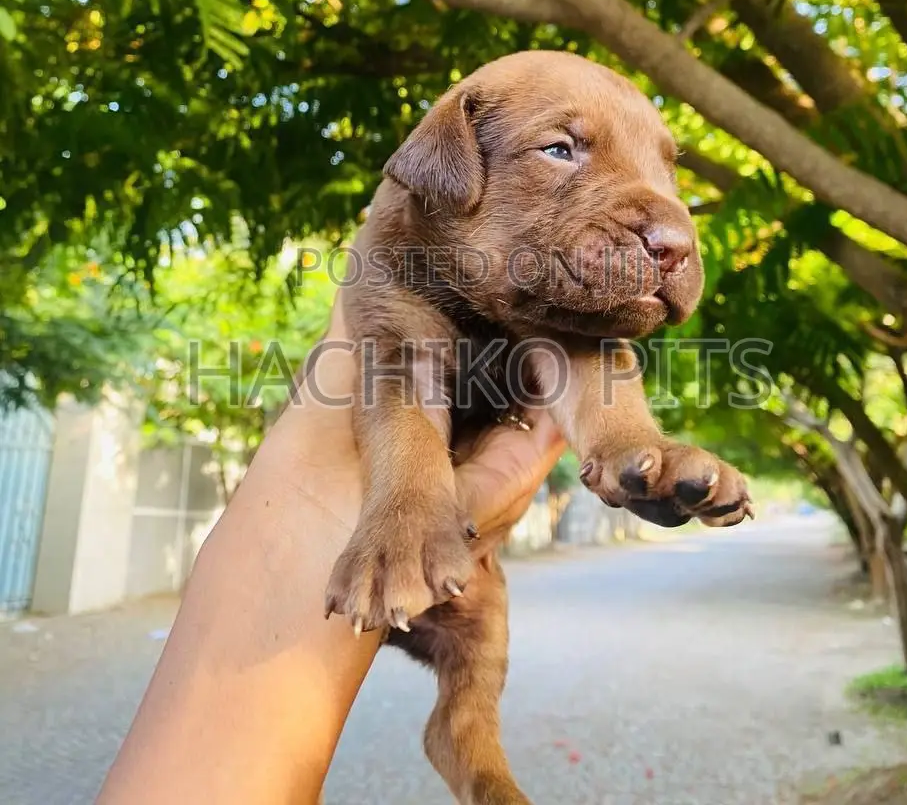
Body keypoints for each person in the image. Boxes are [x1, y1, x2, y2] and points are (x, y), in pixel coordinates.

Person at [98, 294, 564, 804]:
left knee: (480, 634)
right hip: (359, 494)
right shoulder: (395, 291)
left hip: (433, 521)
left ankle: (469, 741)